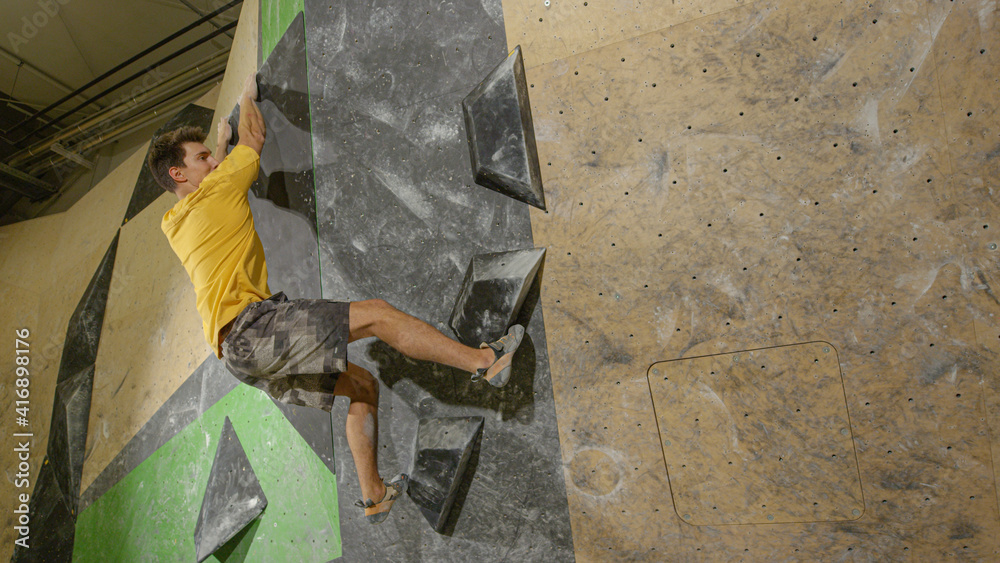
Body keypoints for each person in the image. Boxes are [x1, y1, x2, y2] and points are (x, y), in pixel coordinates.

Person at [150, 74, 524, 524]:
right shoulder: (218, 187)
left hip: (237, 357)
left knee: (362, 385)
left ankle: (374, 494)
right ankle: (484, 362)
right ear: (178, 173)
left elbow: (213, 180)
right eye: (203, 158)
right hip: (255, 328)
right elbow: (254, 135)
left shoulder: (175, 222)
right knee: (379, 316)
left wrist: (219, 146)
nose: (213, 162)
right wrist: (247, 97)